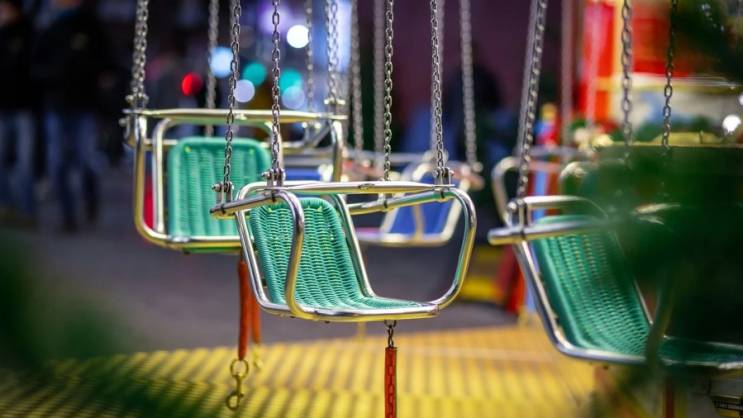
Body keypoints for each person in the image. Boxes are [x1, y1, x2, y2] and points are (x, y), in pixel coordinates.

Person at [32, 0, 111, 232]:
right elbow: (36, 63)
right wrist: (52, 75)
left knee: (85, 157)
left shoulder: (89, 25)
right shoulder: (48, 25)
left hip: (84, 103)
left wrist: (88, 73)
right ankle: (67, 215)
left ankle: (90, 201)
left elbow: (105, 59)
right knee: (57, 161)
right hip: (56, 103)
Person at [0, 0, 37, 226]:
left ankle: (27, 209)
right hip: (3, 107)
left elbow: (32, 70)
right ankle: (6, 204)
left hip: (24, 107)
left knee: (25, 162)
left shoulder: (28, 33)